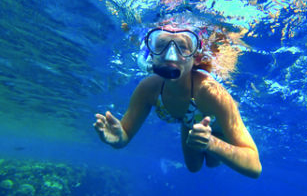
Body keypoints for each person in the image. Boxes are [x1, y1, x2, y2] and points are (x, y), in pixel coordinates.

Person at [93, 23, 262, 178]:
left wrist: (212, 143)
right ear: (151, 54)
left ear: (196, 58)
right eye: (161, 46)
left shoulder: (210, 92)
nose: (171, 56)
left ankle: (213, 147)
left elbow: (255, 167)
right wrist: (118, 139)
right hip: (191, 123)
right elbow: (125, 135)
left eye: (183, 47)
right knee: (193, 167)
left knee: (212, 162)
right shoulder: (148, 89)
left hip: (217, 129)